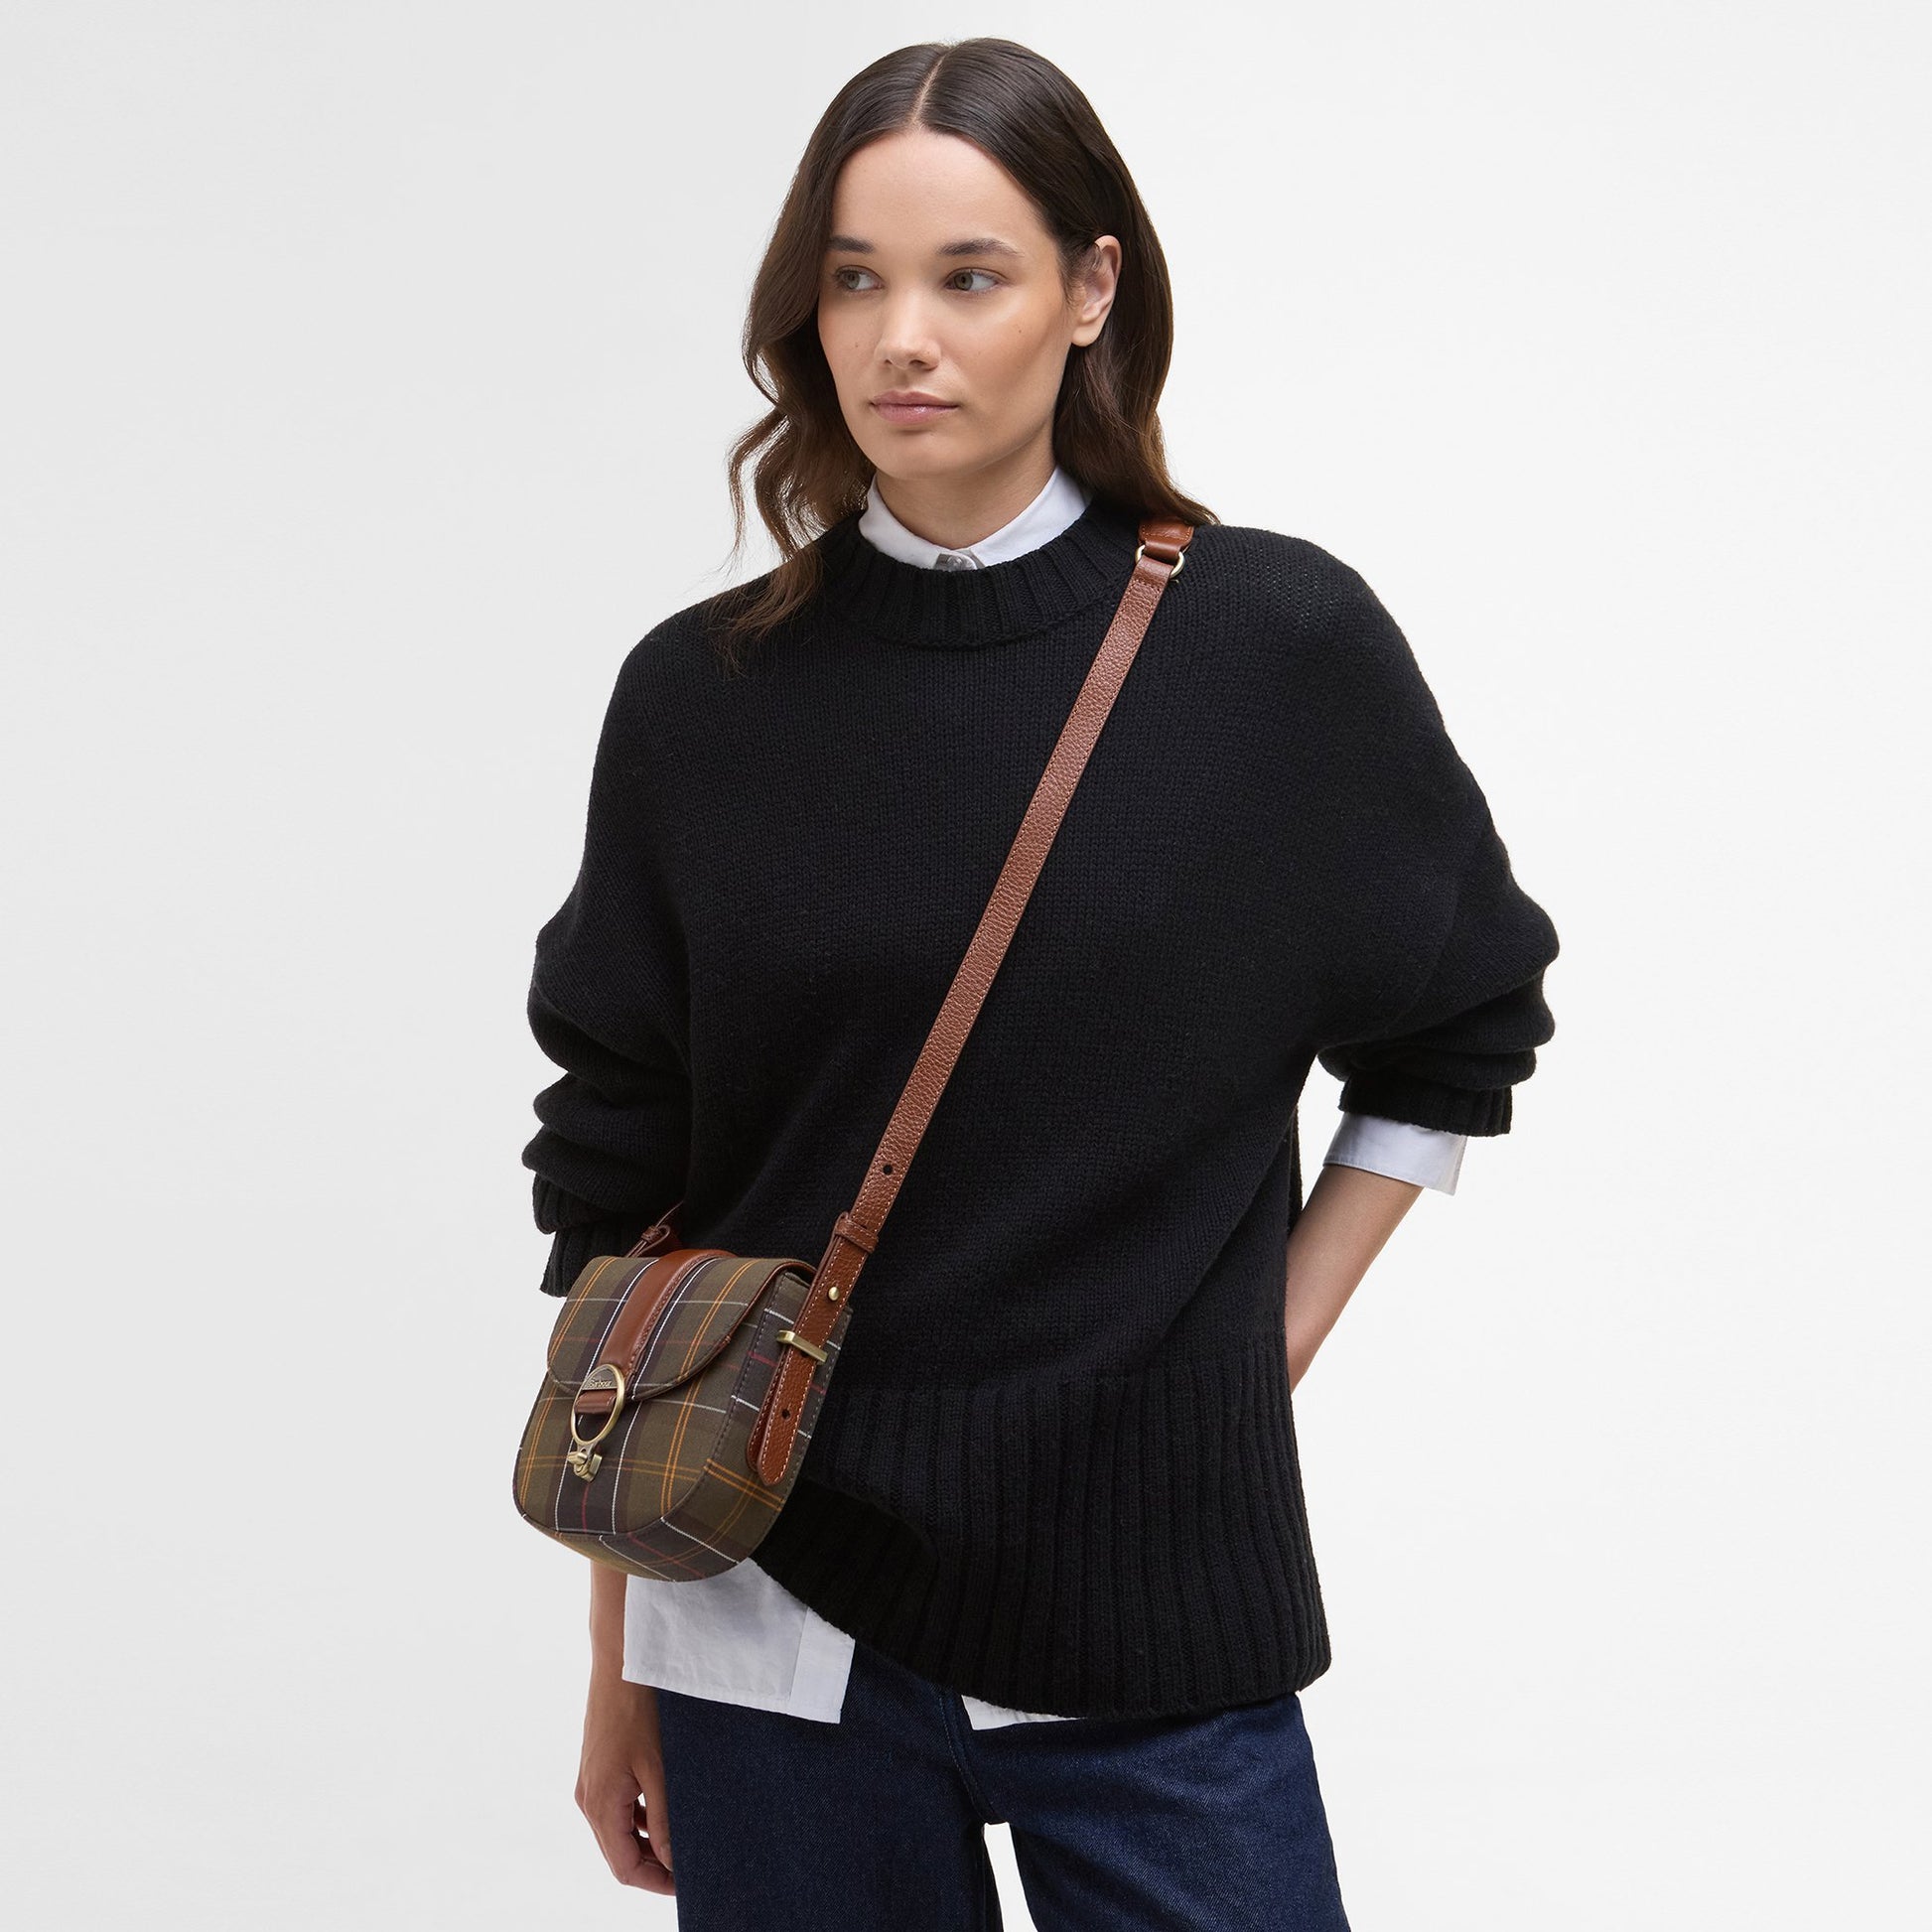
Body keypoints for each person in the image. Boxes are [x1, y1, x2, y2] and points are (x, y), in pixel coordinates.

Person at [520, 36, 1560, 1931]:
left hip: (1149, 1600)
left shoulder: (1272, 648)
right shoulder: (702, 695)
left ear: (1090, 290)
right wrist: (620, 1658)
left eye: (967, 275)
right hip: (766, 1626)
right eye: (854, 278)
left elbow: (1458, 1025)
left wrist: (1243, 1356)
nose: (900, 336)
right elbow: (619, 1187)